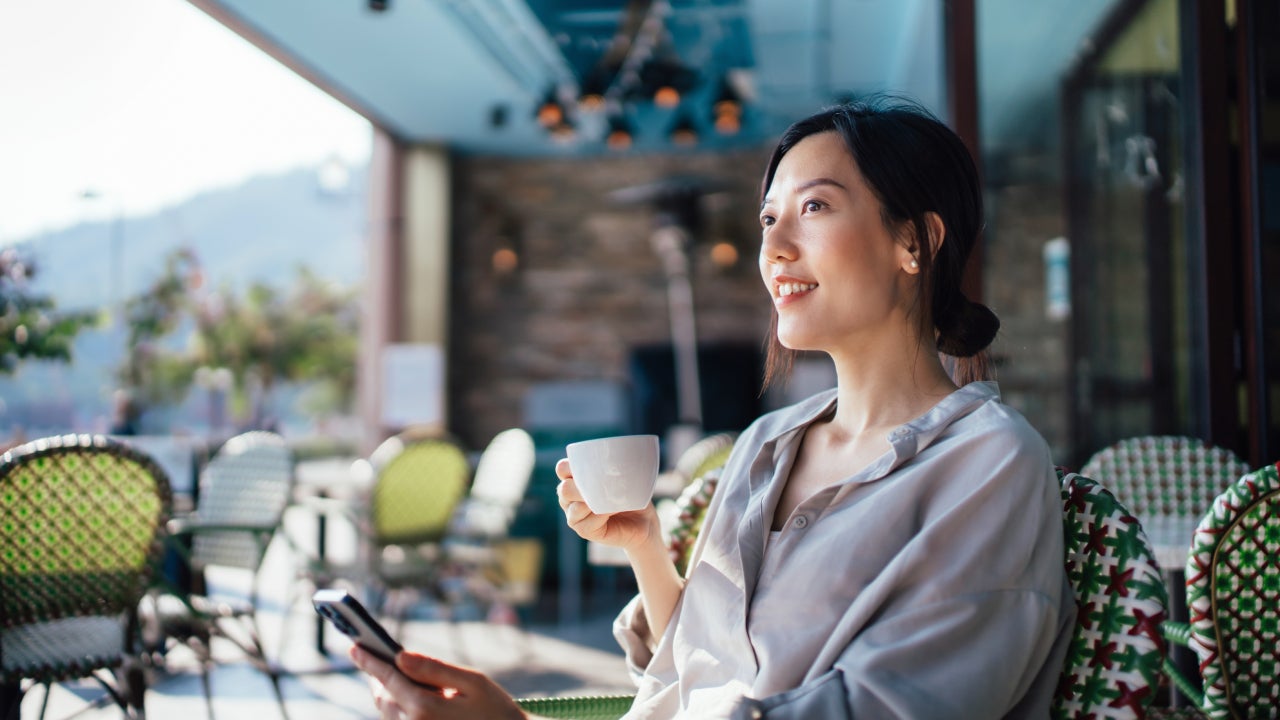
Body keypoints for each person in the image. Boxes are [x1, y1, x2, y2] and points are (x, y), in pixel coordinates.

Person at [350, 97, 1075, 719]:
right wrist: (643, 547)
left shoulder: (988, 464)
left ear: (914, 241)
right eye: (768, 217)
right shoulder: (767, 444)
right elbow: (696, 677)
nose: (775, 247)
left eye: (815, 207)